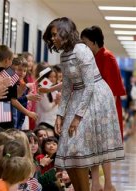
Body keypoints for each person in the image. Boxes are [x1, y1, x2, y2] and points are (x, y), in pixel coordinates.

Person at [42, 17, 124, 191]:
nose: (53, 38)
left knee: (79, 146)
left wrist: (77, 118)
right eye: (51, 36)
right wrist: (60, 115)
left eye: (55, 34)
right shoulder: (64, 55)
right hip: (78, 96)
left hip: (95, 98)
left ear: (65, 32)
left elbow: (90, 85)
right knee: (69, 147)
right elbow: (66, 87)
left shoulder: (81, 50)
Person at [81, 25, 126, 191]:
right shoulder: (92, 58)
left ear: (94, 42)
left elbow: (112, 90)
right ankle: (96, 183)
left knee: (105, 148)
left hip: (106, 111)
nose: (83, 46)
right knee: (94, 147)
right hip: (93, 109)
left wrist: (105, 116)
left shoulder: (107, 57)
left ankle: (108, 183)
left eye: (85, 42)